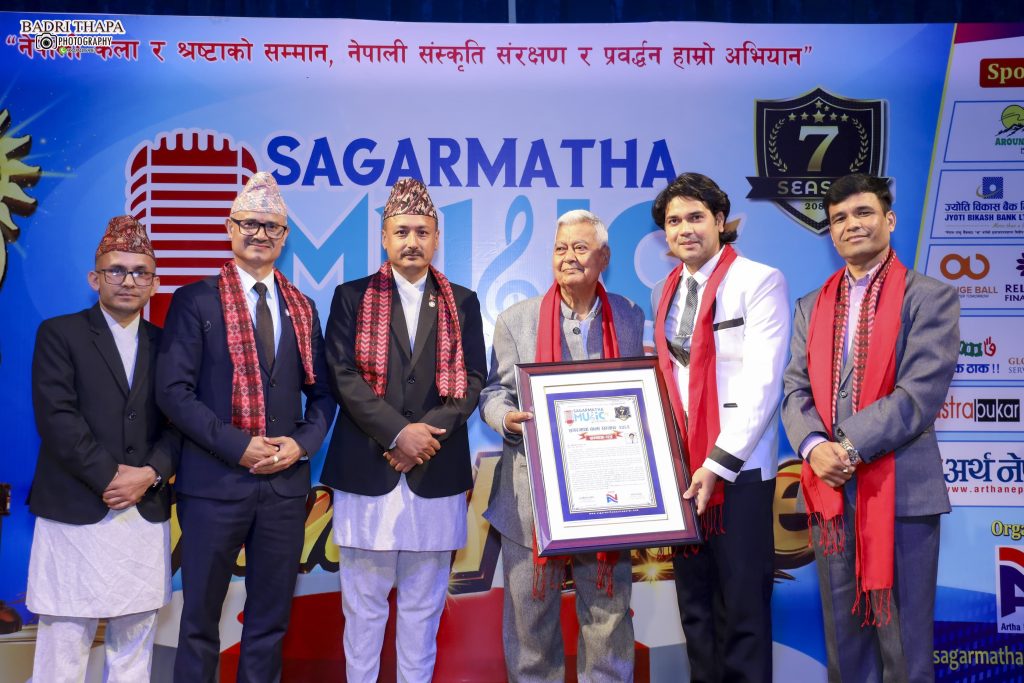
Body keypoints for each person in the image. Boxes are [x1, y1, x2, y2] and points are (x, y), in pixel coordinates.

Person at [156, 172, 335, 682]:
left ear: (285, 237)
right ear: (230, 228)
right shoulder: (196, 300)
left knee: (269, 622)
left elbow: (323, 395)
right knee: (199, 621)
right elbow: (173, 392)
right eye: (249, 224)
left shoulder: (302, 308)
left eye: (271, 226)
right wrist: (238, 446)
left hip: (283, 489)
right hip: (213, 486)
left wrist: (300, 445)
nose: (260, 234)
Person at [782, 173, 958, 683]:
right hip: (831, 497)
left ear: (889, 219)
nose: (851, 225)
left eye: (863, 213)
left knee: (905, 650)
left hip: (903, 493)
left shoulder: (930, 297)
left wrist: (844, 446)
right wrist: (813, 447)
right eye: (839, 218)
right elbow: (794, 389)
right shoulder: (811, 305)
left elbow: (918, 395)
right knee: (845, 647)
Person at [321, 178, 486, 683]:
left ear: (436, 238)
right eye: (401, 231)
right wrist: (398, 433)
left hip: (434, 472)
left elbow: (473, 379)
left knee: (423, 609)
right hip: (366, 470)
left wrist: (421, 438)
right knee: (363, 610)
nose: (411, 241)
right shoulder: (351, 297)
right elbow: (341, 375)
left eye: (421, 231)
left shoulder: (462, 301)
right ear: (384, 238)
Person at [480, 209, 644, 682]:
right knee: (530, 627)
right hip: (531, 498)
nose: (568, 257)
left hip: (609, 497)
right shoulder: (516, 320)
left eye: (580, 248)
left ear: (604, 257)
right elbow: (493, 393)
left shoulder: (629, 316)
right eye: (560, 248)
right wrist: (507, 420)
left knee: (609, 618)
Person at [650, 173, 790, 683]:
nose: (685, 229)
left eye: (696, 217)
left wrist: (717, 464)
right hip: (684, 472)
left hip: (738, 472)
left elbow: (764, 383)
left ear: (720, 221)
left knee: (743, 612)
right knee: (696, 608)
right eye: (674, 221)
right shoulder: (665, 291)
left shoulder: (760, 280)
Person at [27, 216, 178, 681]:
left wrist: (149, 474)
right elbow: (57, 417)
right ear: (95, 279)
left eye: (140, 272)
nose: (128, 281)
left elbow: (181, 424)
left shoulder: (169, 345)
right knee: (64, 640)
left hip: (143, 509)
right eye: (117, 270)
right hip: (75, 506)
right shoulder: (60, 333)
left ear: (155, 283)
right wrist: (111, 478)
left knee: (135, 641)